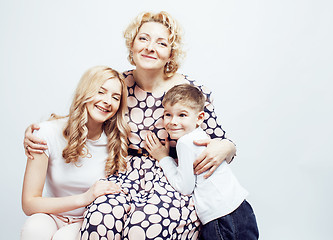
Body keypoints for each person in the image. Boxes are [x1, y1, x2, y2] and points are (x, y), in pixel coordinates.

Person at [24, 11, 237, 239]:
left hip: (170, 178)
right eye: (143, 39)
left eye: (161, 43)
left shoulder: (188, 91)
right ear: (132, 45)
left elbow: (219, 142)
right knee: (99, 216)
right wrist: (38, 130)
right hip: (121, 175)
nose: (150, 47)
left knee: (142, 229)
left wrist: (228, 147)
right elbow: (86, 109)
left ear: (171, 54)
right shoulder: (118, 84)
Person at [20, 66, 130, 240]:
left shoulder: (116, 142)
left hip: (90, 220)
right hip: (51, 215)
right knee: (34, 229)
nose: (108, 101)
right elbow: (29, 203)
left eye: (115, 97)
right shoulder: (45, 134)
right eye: (100, 92)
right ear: (85, 92)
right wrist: (85, 197)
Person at [145, 84, 259, 240]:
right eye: (168, 114)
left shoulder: (184, 143)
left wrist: (163, 158)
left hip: (221, 216)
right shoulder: (200, 135)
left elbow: (184, 187)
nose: (173, 121)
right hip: (241, 208)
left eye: (182, 115)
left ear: (199, 118)